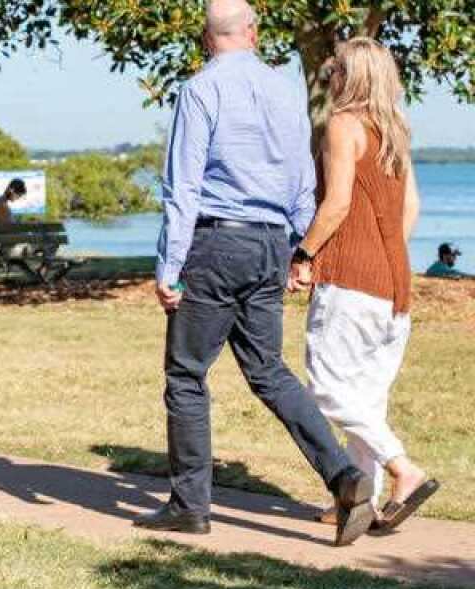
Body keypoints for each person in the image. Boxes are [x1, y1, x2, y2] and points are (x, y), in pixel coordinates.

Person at [138, 0, 374, 546]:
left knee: (186, 374)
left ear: (206, 37)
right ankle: (344, 474)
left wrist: (169, 267)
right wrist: (301, 252)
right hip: (269, 242)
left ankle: (189, 507)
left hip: (216, 243)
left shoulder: (200, 90)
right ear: (253, 32)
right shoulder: (284, 90)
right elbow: (302, 182)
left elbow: (183, 186)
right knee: (268, 370)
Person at [290, 38, 441, 531]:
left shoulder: (343, 125)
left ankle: (403, 469)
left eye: (334, 69)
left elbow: (335, 204)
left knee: (327, 389)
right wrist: (384, 255)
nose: (327, 75)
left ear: (349, 76)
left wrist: (304, 254)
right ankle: (359, 502)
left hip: (350, 282)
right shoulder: (394, 129)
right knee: (365, 398)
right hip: (395, 285)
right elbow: (411, 207)